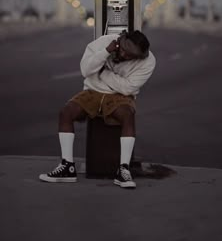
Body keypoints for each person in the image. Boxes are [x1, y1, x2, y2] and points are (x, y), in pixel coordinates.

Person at [39, 29, 156, 188]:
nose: (124, 56)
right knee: (66, 112)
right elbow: (85, 70)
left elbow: (128, 88)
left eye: (131, 56)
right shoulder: (103, 43)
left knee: (128, 115)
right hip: (92, 91)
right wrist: (105, 52)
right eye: (123, 51)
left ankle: (123, 170)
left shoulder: (148, 61)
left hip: (119, 96)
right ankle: (67, 166)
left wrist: (101, 73)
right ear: (119, 42)